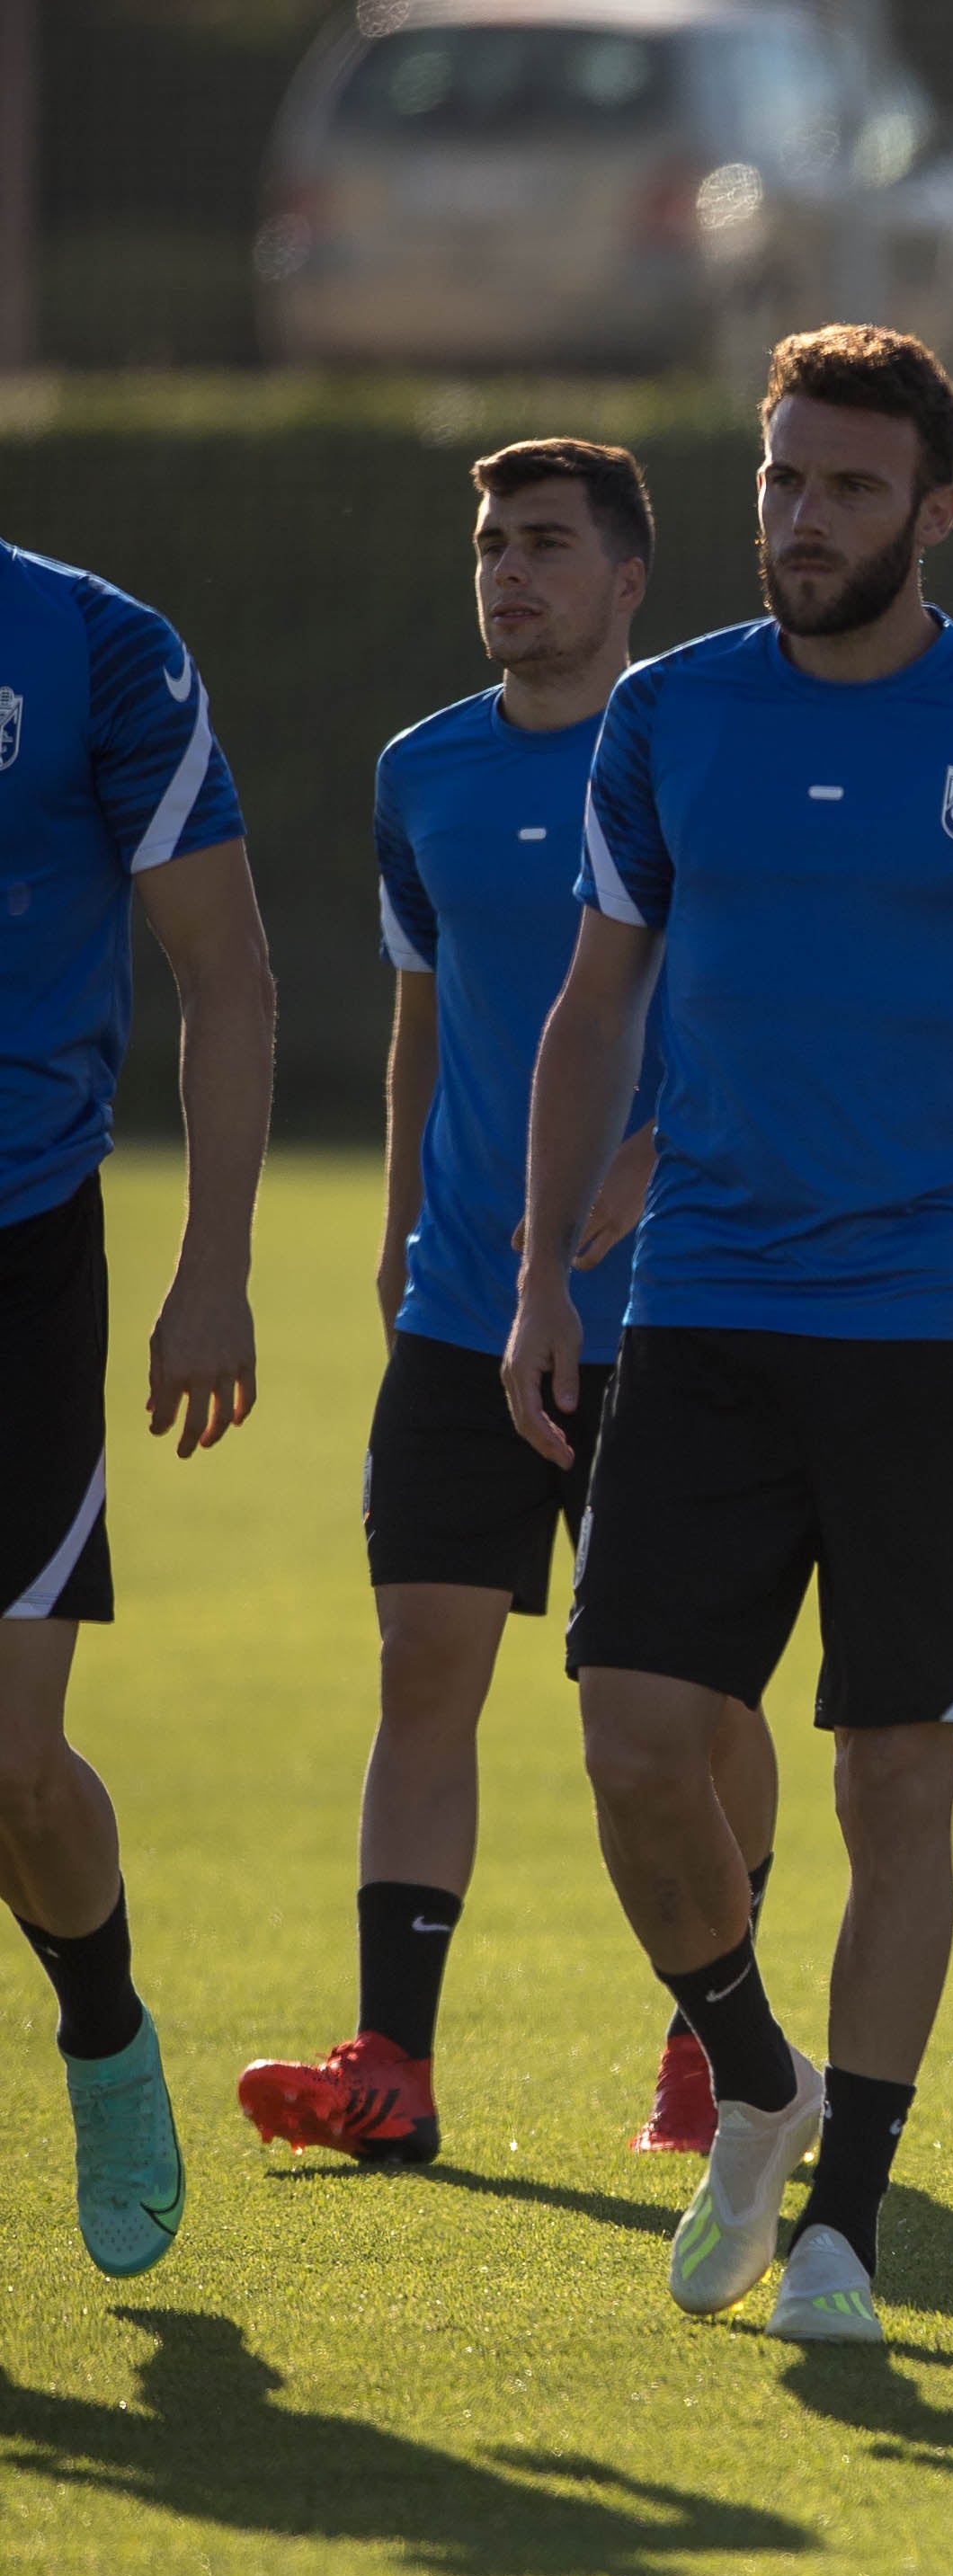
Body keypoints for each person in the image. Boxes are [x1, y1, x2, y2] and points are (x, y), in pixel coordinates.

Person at [504, 327, 953, 2347]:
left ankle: (846, 2219)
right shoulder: (668, 716)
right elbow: (596, 1004)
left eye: (852, 488)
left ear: (932, 511)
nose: (804, 518)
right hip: (700, 1306)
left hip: (924, 1334)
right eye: (784, 481)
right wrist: (545, 1268)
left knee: (896, 1787)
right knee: (632, 1744)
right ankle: (751, 2068)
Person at [237, 441, 786, 2172]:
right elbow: (427, 1015)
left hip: (676, 1312)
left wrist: (638, 1170)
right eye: (491, 545)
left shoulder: (704, 757)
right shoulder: (425, 773)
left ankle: (719, 2053)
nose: (508, 574)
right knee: (425, 1667)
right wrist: (409, 1229)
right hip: (468, 1308)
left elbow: (759, 1005)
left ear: (631, 579)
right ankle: (391, 2061)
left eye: (545, 545)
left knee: (694, 1707)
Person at [0, 538, 273, 2280]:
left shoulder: (97, 648)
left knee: (15, 1764)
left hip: (23, 1242)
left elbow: (228, 966)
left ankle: (103, 2033)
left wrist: (215, 1266)